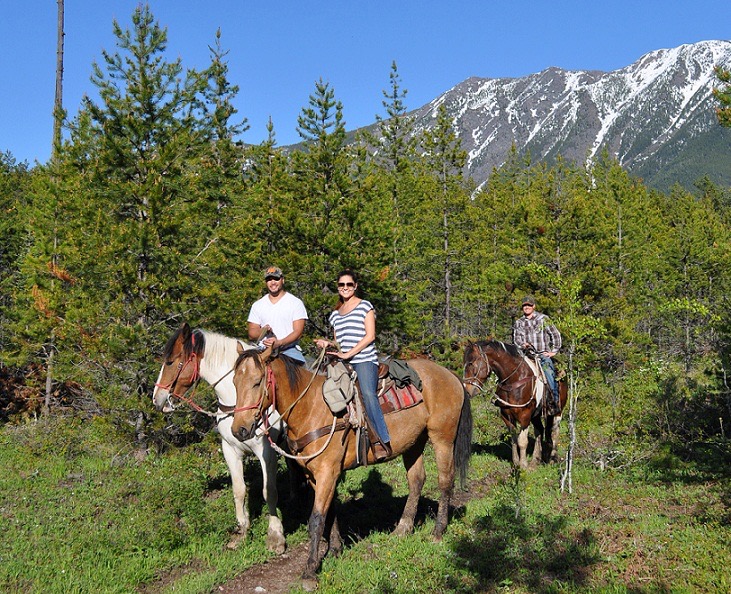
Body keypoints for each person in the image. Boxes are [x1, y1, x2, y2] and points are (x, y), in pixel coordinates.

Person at [315, 269, 391, 460]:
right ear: (338, 287)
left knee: (367, 394)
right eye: (342, 285)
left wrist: (349, 353)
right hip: (343, 361)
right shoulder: (335, 314)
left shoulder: (365, 306)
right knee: (327, 391)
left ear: (355, 286)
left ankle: (381, 440)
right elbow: (339, 342)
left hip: (364, 359)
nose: (345, 288)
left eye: (349, 284)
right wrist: (328, 344)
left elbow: (370, 336)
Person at [248, 266, 308, 364]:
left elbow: (298, 332)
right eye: (269, 279)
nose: (272, 282)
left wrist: (279, 343)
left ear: (282, 280)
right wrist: (262, 331)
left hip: (288, 351)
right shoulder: (257, 305)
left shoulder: (295, 303)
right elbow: (251, 333)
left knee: (300, 374)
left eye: (276, 278)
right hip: (262, 351)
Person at [512, 295, 562, 410]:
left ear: (533, 306)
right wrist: (522, 345)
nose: (527, 307)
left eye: (529, 305)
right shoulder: (519, 322)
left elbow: (555, 334)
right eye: (525, 305)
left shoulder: (543, 319)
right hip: (526, 355)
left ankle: (553, 401)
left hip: (541, 355)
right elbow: (516, 339)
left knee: (549, 373)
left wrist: (553, 351)